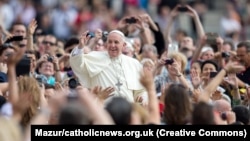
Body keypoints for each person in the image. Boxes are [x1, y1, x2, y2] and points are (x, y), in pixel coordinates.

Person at [69, 30, 147, 104]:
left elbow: (141, 90)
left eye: (116, 42)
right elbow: (77, 64)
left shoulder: (134, 64)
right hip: (104, 110)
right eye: (110, 42)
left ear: (124, 45)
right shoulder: (96, 57)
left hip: (127, 112)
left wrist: (141, 98)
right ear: (106, 44)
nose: (112, 45)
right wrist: (80, 47)